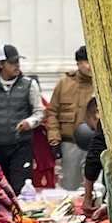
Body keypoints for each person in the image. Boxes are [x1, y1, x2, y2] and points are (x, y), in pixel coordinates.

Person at [0, 44, 45, 195]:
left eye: (18, 61)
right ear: (0, 64)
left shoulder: (29, 85)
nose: (16, 65)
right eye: (12, 62)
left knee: (20, 187)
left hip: (21, 146)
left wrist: (29, 122)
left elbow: (39, 112)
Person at [46, 45, 95, 190]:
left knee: (96, 186)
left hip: (96, 143)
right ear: (79, 63)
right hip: (71, 143)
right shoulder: (64, 83)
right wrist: (54, 140)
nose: (90, 65)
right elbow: (52, 112)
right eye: (87, 61)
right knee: (70, 186)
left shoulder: (103, 82)